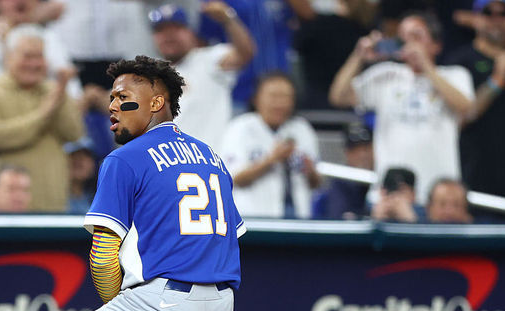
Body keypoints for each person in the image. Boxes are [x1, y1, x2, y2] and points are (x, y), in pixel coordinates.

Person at [16, 55, 402, 311]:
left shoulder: (124, 158)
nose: (112, 105)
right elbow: (226, 238)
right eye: (112, 97)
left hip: (158, 304)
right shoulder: (211, 156)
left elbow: (103, 257)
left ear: (156, 102)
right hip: (218, 307)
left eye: (123, 96)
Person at [329, 12, 475, 204]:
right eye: (403, 37)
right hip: (389, 193)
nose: (409, 43)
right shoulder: (386, 74)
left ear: (436, 45)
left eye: (416, 36)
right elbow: (338, 97)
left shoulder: (454, 74)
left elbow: (467, 108)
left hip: (438, 197)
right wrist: (358, 56)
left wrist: (426, 67)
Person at [0, 24, 83, 212]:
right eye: (27, 56)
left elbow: (74, 133)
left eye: (39, 56)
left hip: (53, 206)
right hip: (2, 211)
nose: (34, 64)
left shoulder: (54, 91)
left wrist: (61, 93)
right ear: (8, 57)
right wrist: (43, 113)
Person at [150, 3, 255, 150]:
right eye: (161, 31)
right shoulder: (150, 75)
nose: (169, 36)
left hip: (208, 158)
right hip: (170, 159)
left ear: (191, 33)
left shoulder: (209, 59)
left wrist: (228, 19)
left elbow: (244, 53)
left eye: (176, 29)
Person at [220, 72, 320, 219]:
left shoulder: (302, 129)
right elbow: (232, 179)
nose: (280, 103)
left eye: (286, 96)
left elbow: (316, 183)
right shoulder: (240, 128)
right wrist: (271, 159)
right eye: (273, 96)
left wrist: (310, 170)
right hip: (252, 219)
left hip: (298, 218)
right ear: (256, 98)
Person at [448, 0, 505, 201]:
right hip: (477, 178)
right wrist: (497, 79)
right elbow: (463, 117)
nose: (496, 19)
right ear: (475, 18)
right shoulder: (459, 61)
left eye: (504, 14)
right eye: (488, 13)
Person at [313, 121, 373, 220]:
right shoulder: (340, 182)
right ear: (346, 152)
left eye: (366, 148)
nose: (362, 155)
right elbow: (339, 219)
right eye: (355, 149)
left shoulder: (382, 180)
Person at [64, 138, 98, 215]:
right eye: (73, 155)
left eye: (86, 155)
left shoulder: (98, 200)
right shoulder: (52, 200)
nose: (79, 159)